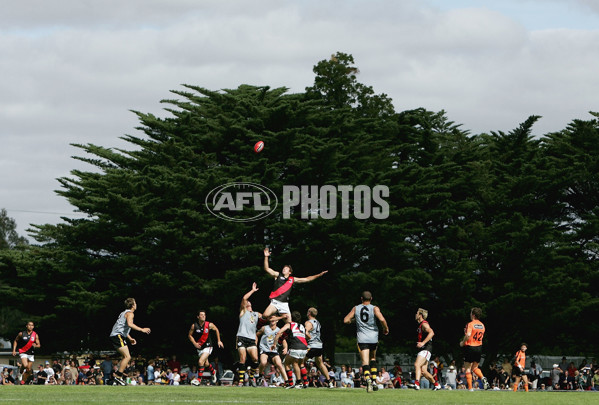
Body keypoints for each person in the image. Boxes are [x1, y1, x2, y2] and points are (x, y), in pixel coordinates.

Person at [261, 247, 327, 323]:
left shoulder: (292, 279)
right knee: (265, 315)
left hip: (284, 304)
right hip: (275, 301)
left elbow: (307, 279)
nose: (284, 269)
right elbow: (267, 269)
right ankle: (259, 326)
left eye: (286, 268)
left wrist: (318, 275)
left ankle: (289, 334)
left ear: (290, 272)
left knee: (289, 324)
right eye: (283, 268)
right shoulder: (277, 275)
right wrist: (266, 256)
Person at [343, 291, 389, 393]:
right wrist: (385, 328)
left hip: (362, 338)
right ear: (371, 299)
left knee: (365, 361)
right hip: (373, 337)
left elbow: (346, 320)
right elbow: (382, 319)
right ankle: (373, 381)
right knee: (373, 358)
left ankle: (367, 379)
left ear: (361, 299)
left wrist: (354, 320)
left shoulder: (356, 308)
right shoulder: (375, 308)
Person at [109, 298, 151, 386]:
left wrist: (130, 338)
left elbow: (122, 327)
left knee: (125, 357)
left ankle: (116, 378)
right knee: (127, 357)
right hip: (118, 336)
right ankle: (118, 377)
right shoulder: (130, 313)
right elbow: (129, 324)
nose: (136, 304)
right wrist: (142, 329)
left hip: (117, 335)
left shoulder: (124, 313)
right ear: (132, 305)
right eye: (135, 303)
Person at [407, 308, 442, 391]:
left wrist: (422, 343)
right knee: (423, 371)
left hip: (426, 348)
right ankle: (437, 385)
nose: (415, 314)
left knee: (417, 364)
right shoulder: (420, 325)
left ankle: (416, 384)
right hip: (423, 349)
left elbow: (432, 332)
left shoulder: (424, 324)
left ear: (420, 315)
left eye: (417, 313)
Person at [273, 311, 310, 389]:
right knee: (301, 364)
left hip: (295, 346)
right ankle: (306, 382)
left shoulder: (289, 324)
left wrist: (274, 343)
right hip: (304, 347)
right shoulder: (302, 326)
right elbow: (307, 336)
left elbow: (279, 332)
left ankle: (295, 383)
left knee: (287, 363)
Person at [236, 282, 262, 386]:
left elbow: (266, 317)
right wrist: (252, 290)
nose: (248, 304)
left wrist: (281, 317)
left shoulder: (256, 314)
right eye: (247, 304)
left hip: (251, 339)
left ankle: (251, 378)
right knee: (242, 358)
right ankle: (241, 381)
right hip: (242, 337)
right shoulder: (243, 312)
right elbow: (244, 298)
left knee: (255, 359)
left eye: (249, 304)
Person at [188, 309, 224, 385]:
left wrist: (219, 341)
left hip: (208, 346)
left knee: (200, 362)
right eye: (201, 315)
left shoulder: (209, 324)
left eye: (204, 315)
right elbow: (190, 335)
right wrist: (194, 343)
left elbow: (216, 330)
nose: (203, 316)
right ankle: (213, 372)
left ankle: (198, 380)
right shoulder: (194, 326)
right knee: (206, 364)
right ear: (198, 317)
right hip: (200, 348)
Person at [459, 307, 490, 391]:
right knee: (475, 367)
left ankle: (470, 388)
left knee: (468, 368)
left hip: (470, 347)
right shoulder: (482, 325)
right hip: (479, 347)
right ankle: (482, 377)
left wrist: (462, 342)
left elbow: (468, 335)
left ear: (473, 315)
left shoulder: (471, 324)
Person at [304, 307, 335, 388]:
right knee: (320, 363)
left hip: (312, 346)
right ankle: (329, 381)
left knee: (300, 362)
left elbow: (306, 332)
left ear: (309, 313)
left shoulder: (308, 322)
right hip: (319, 346)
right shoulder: (318, 322)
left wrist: (308, 338)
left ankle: (304, 381)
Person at [256, 316, 288, 387]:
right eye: (271, 319)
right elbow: (257, 335)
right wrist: (255, 342)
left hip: (273, 351)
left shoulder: (279, 330)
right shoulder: (265, 328)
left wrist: (285, 348)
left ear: (277, 321)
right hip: (264, 349)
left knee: (279, 364)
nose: (272, 320)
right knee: (263, 362)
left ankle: (286, 381)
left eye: (274, 319)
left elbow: (283, 340)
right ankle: (260, 375)